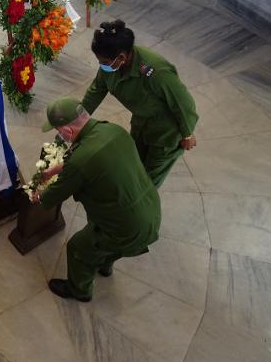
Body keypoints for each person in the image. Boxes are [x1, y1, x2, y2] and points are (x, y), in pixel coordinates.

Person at [32, 97, 161, 302]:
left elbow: (54, 194)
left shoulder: (81, 160)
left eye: (58, 130)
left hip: (125, 227)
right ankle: (105, 265)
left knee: (78, 248)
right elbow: (89, 157)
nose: (59, 135)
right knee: (103, 241)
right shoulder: (112, 131)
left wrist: (37, 194)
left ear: (67, 131)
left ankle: (79, 291)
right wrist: (58, 168)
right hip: (150, 211)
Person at [81, 20, 198, 188]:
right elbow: (96, 91)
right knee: (133, 163)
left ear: (122, 57)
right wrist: (77, 121)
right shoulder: (111, 64)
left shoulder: (156, 71)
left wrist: (187, 134)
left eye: (104, 62)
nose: (102, 66)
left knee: (148, 180)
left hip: (166, 131)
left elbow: (183, 103)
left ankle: (140, 206)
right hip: (141, 123)